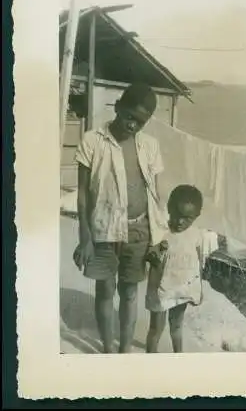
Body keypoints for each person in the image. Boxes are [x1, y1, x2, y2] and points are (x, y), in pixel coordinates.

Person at [72, 82, 167, 353]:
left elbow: (155, 194)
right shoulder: (92, 141)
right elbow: (82, 195)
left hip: (139, 230)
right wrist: (85, 238)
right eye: (130, 117)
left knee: (129, 292)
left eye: (141, 121)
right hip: (103, 229)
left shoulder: (150, 146)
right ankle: (108, 351)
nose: (133, 125)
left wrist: (157, 236)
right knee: (104, 291)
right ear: (118, 107)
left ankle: (124, 351)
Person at [145, 184, 218, 353]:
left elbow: (197, 262)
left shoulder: (197, 235)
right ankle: (149, 363)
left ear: (196, 216)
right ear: (169, 207)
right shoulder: (160, 231)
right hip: (161, 290)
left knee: (176, 326)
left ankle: (179, 357)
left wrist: (197, 290)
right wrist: (155, 253)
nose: (180, 222)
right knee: (156, 328)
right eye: (177, 215)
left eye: (187, 218)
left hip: (182, 289)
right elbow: (149, 255)